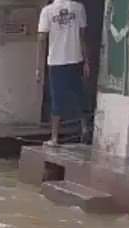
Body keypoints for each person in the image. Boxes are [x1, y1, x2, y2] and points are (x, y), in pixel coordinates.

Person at [37, 0, 90, 146]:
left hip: (56, 62)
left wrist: (38, 67)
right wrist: (86, 62)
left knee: (57, 99)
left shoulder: (47, 11)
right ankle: (85, 127)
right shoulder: (79, 8)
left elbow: (42, 39)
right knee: (79, 95)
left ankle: (54, 138)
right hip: (76, 59)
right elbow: (82, 37)